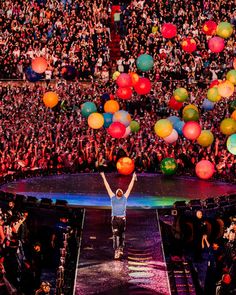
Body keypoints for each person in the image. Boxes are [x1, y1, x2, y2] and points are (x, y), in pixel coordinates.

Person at [100, 172, 137, 259]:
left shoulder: (125, 197)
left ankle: (120, 248)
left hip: (122, 219)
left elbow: (130, 188)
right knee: (116, 235)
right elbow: (107, 186)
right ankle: (116, 250)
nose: (119, 191)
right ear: (116, 193)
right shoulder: (112, 197)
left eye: (121, 190)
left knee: (121, 235)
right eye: (118, 190)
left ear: (122, 193)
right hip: (115, 220)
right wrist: (103, 177)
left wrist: (133, 178)